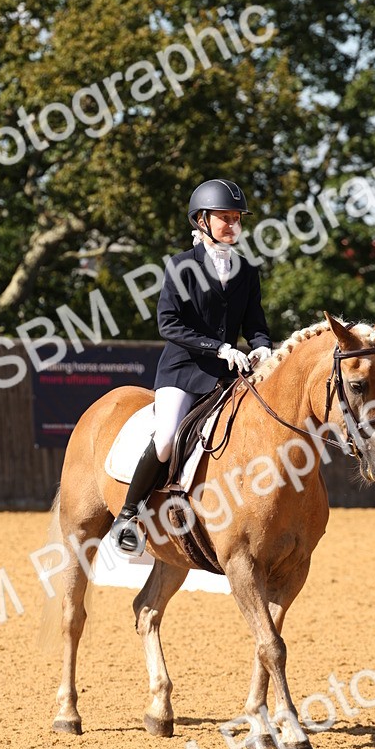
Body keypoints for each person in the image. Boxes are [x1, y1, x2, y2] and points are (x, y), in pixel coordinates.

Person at [110, 178, 273, 554]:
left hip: (229, 375)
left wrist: (263, 348)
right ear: (202, 220)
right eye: (224, 218)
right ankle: (129, 516)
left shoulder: (246, 270)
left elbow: (257, 326)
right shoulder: (182, 266)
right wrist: (219, 348)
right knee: (166, 437)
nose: (232, 224)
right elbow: (169, 323)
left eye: (237, 218)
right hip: (183, 371)